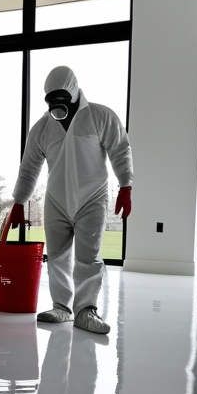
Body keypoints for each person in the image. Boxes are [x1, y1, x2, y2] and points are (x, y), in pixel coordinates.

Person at [10, 66, 133, 334]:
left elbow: (120, 150)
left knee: (89, 258)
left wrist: (126, 185)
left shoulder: (101, 116)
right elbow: (29, 166)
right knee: (57, 257)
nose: (57, 108)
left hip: (92, 198)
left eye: (62, 101)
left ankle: (86, 311)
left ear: (74, 93)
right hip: (56, 200)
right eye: (52, 103)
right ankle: (61, 308)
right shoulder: (42, 127)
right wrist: (19, 202)